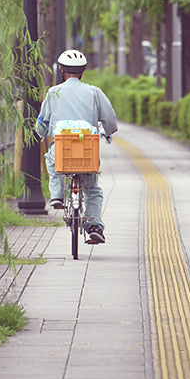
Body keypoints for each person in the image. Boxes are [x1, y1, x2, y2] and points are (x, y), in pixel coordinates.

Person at [35, 49, 118, 244]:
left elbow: (42, 122)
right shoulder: (94, 92)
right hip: (86, 148)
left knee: (52, 160)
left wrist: (40, 132)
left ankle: (56, 196)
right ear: (83, 72)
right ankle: (95, 226)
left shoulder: (53, 92)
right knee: (92, 189)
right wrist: (108, 131)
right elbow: (109, 117)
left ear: (62, 71)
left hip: (62, 147)